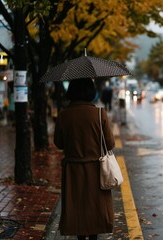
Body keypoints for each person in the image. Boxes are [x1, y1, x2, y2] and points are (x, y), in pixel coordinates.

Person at [54, 78, 115, 240]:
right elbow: (110, 143)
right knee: (94, 207)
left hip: (73, 170)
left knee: (77, 206)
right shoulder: (99, 114)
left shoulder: (64, 115)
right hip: (96, 169)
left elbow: (59, 143)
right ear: (91, 91)